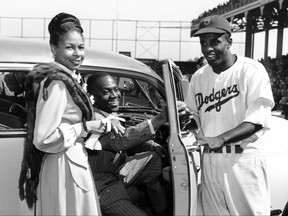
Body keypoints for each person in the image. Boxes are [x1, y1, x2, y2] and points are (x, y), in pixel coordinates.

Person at [18, 12, 112, 215]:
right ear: (54, 48)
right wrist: (85, 127)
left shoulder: (64, 78)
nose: (77, 53)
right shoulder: (58, 83)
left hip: (67, 163)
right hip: (65, 166)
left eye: (81, 47)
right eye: (69, 47)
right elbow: (43, 138)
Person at [185, 15, 274, 215]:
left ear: (229, 42)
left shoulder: (251, 70)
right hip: (210, 160)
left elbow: (257, 120)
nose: (208, 48)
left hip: (242, 159)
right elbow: (194, 116)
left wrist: (220, 138)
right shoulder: (199, 77)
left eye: (215, 41)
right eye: (203, 42)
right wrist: (188, 122)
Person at [86, 72, 186, 216]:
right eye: (106, 91)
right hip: (101, 185)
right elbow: (120, 139)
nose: (115, 95)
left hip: (116, 172)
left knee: (153, 159)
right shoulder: (94, 119)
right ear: (92, 96)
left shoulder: (107, 113)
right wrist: (161, 117)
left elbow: (119, 141)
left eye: (115, 89)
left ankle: (162, 211)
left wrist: (150, 145)